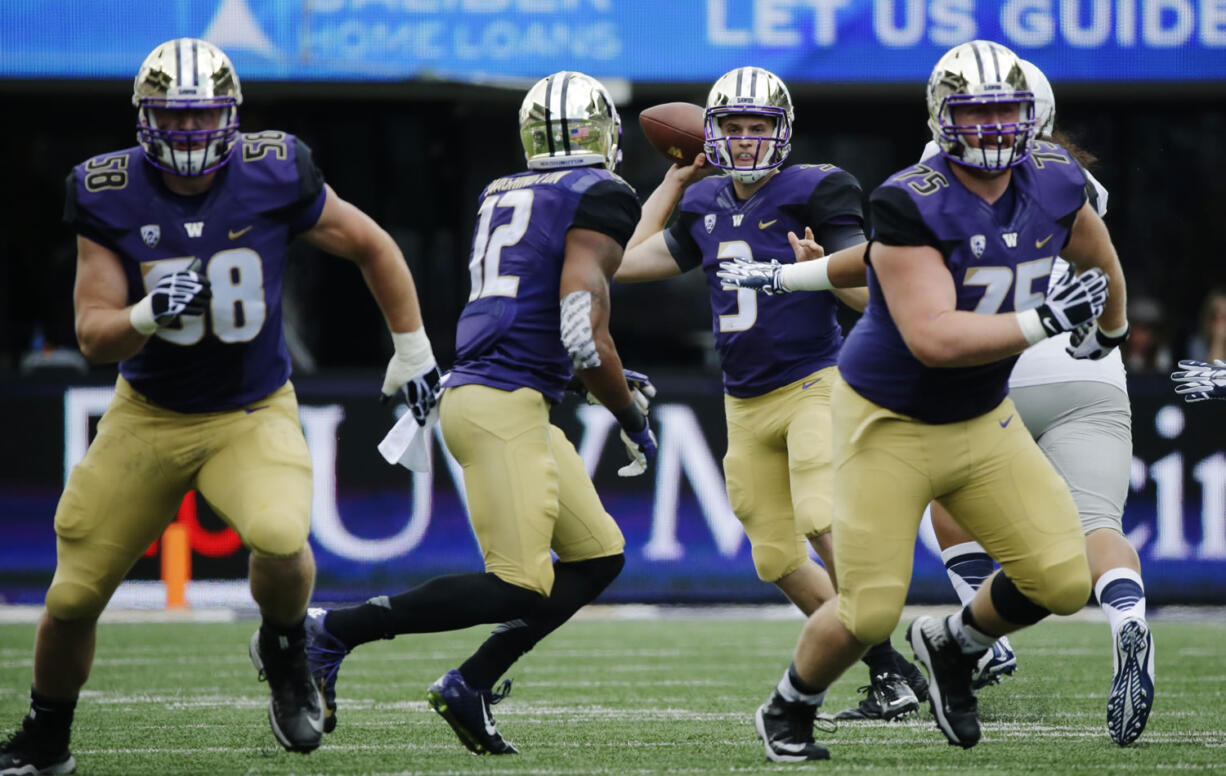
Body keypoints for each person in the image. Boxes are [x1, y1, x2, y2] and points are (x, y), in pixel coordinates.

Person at [0, 38, 443, 774]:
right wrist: (144, 315)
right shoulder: (107, 190)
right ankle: (47, 739)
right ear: (144, 121)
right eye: (172, 119)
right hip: (148, 415)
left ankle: (285, 648)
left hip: (250, 408)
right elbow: (93, 335)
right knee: (72, 595)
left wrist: (415, 350)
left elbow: (372, 244)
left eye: (202, 116)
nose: (188, 134)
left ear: (231, 116)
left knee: (279, 532)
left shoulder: (275, 170)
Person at [731, 40, 1128, 762]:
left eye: (1005, 109)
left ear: (1029, 114)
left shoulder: (1054, 176)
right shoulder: (909, 197)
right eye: (974, 113)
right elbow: (933, 336)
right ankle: (789, 707)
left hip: (982, 418)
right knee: (869, 607)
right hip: (887, 422)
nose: (992, 127)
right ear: (943, 119)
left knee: (1064, 580)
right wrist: (1048, 320)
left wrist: (1112, 329)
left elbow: (1096, 252)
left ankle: (954, 644)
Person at [302, 70, 656, 755]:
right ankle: (332, 629)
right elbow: (582, 330)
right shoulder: (601, 192)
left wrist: (585, 383)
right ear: (604, 134)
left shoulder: (506, 190)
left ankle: (470, 683)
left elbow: (532, 315)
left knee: (598, 556)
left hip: (503, 393)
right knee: (521, 583)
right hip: (501, 403)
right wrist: (629, 415)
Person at [617, 66, 928, 724]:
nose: (749, 138)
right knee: (776, 556)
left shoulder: (819, 186)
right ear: (712, 134)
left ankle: (908, 642)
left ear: (782, 132)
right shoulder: (702, 203)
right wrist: (675, 179)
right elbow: (621, 261)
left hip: (817, 380)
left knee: (822, 516)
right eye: (734, 126)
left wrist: (816, 269)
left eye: (760, 126)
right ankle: (889, 671)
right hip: (744, 400)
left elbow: (873, 295)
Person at [923, 59, 1154, 746]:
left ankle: (976, 628)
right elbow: (1106, 272)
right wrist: (1110, 336)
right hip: (1091, 372)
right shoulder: (1079, 181)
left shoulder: (944, 170)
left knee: (943, 489)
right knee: (1096, 527)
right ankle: (1129, 621)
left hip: (1001, 364)